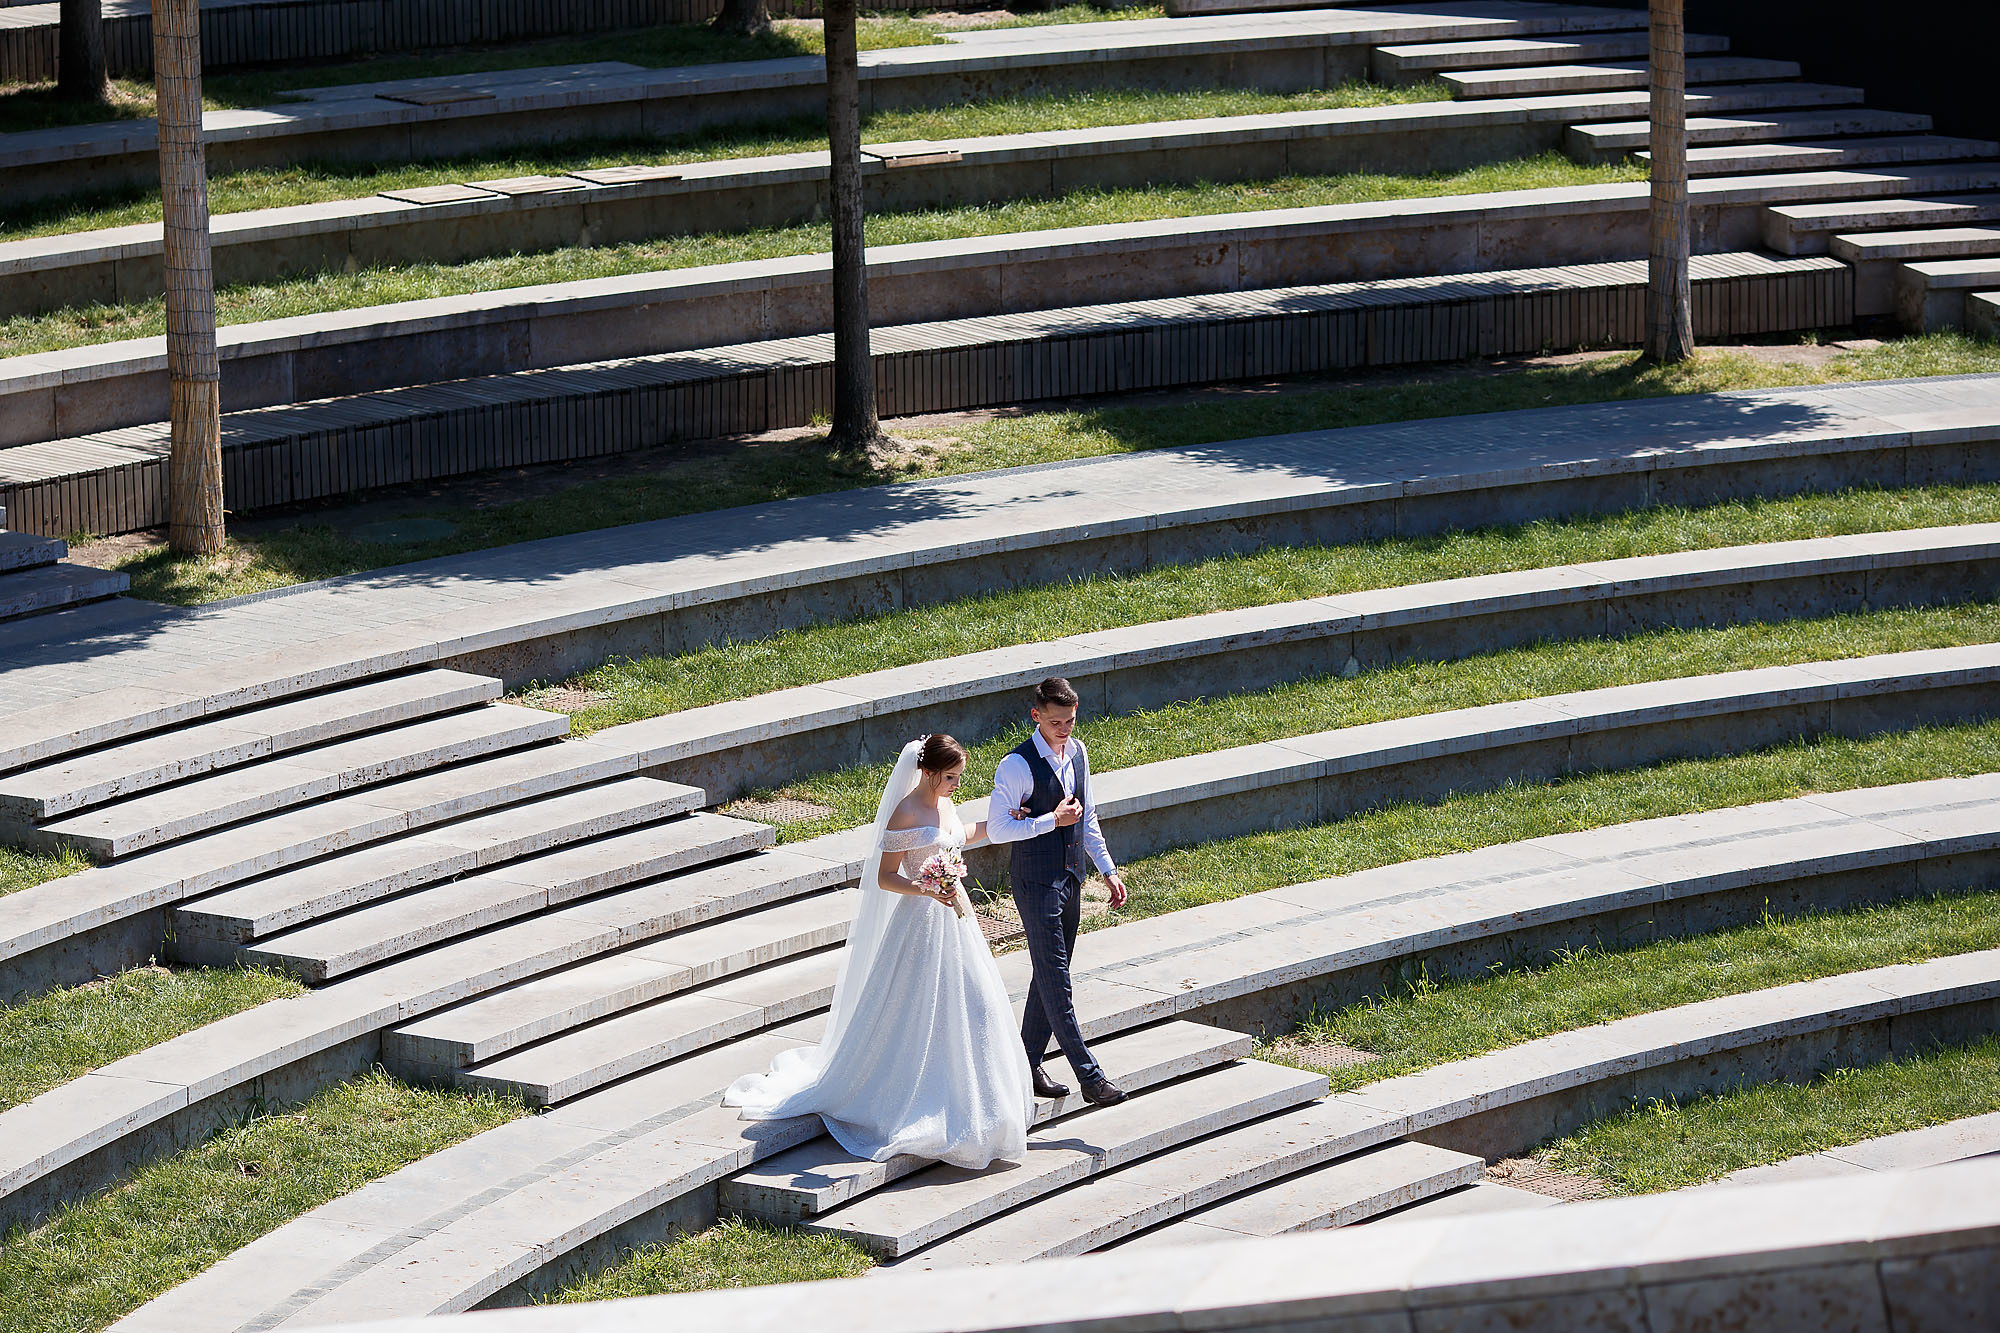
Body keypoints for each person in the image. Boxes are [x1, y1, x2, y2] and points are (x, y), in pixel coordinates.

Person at [723, 734, 1033, 1169]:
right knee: (917, 1011)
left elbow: (959, 835)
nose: (956, 785)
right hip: (921, 922)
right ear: (927, 772)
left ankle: (978, 1111)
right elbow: (887, 876)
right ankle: (915, 1102)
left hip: (957, 921)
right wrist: (927, 888)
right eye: (950, 777)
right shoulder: (905, 811)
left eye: (959, 778)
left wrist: (1002, 822)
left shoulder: (944, 803)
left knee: (975, 1006)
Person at [985, 676, 1131, 1106]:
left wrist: (1107, 869)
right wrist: (1050, 820)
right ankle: (1090, 1077)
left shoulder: (1079, 753)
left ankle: (1025, 1067)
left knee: (1048, 980)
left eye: (1069, 719)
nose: (1064, 728)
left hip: (1071, 878)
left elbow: (1087, 818)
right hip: (1035, 883)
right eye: (1055, 721)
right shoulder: (1016, 765)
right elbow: (997, 829)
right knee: (1057, 983)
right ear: (1036, 716)